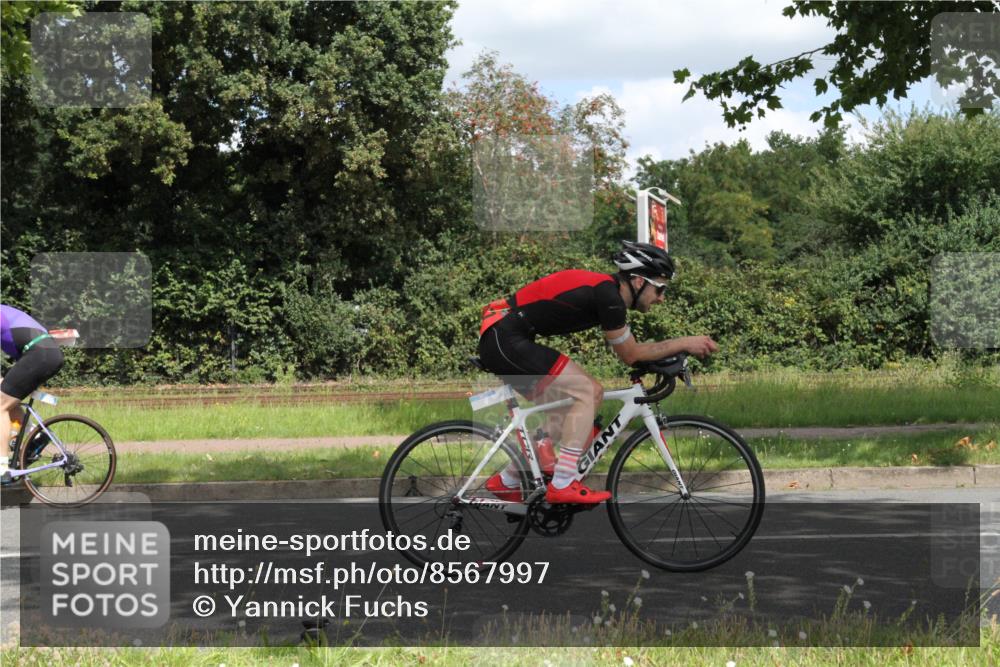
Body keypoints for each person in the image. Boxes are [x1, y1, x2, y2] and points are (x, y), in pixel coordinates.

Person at [477, 241, 718, 504]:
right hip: (505, 337)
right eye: (660, 289)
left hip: (505, 336)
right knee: (589, 391)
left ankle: (507, 481)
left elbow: (632, 352)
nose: (661, 298)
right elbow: (631, 355)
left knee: (569, 408)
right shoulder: (609, 297)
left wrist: (662, 357)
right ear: (639, 282)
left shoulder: (609, 295)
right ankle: (563, 483)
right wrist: (685, 343)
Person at [1, 305, 65, 465]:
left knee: (0, 406)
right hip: (44, 354)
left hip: (39, 355)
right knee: (7, 399)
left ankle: (1, 468)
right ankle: (34, 435)